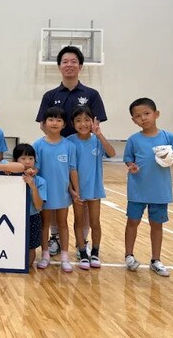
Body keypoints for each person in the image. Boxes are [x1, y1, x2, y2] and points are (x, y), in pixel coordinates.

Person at [35, 46, 108, 255]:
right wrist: (57, 142)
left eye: (73, 61)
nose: (69, 65)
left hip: (83, 156)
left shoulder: (91, 94)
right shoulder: (50, 95)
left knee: (81, 198)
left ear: (80, 66)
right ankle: (55, 237)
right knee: (56, 196)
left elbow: (95, 124)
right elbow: (43, 124)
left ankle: (82, 242)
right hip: (57, 154)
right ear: (59, 66)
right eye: (65, 61)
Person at [124, 97, 173, 277]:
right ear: (133, 120)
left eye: (147, 113)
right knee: (132, 222)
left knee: (157, 225)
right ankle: (129, 255)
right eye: (138, 116)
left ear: (156, 114)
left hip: (160, 191)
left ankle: (156, 260)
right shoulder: (133, 140)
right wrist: (131, 166)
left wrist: (169, 157)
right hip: (137, 190)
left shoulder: (169, 137)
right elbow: (128, 159)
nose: (143, 118)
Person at [33, 107, 83, 273]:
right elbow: (35, 168)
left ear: (64, 124)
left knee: (63, 223)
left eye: (59, 120)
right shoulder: (38, 145)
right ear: (44, 123)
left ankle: (64, 257)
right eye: (51, 119)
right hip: (45, 193)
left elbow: (72, 170)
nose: (54, 123)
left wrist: (75, 190)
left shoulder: (69, 146)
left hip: (62, 192)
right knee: (45, 224)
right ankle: (45, 255)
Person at [67, 106, 116, 268]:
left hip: (94, 188)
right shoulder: (70, 142)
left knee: (95, 222)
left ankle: (95, 252)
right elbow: (69, 169)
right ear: (73, 124)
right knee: (79, 221)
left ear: (93, 121)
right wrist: (73, 190)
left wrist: (99, 134)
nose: (83, 124)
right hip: (78, 190)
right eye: (78, 121)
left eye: (87, 120)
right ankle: (82, 251)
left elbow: (112, 153)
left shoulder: (97, 140)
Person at [14, 144, 46, 268]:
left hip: (32, 218)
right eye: (23, 158)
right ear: (16, 160)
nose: (27, 162)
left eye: (31, 158)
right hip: (13, 217)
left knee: (31, 248)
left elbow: (38, 206)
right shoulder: (8, 177)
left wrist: (32, 186)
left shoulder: (40, 181)